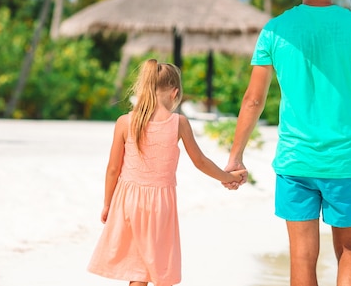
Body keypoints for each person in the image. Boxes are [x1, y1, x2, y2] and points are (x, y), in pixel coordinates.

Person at [224, 0, 351, 286]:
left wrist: (235, 157)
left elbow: (253, 101)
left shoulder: (275, 30)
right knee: (350, 250)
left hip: (295, 161)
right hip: (344, 161)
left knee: (301, 257)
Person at [88, 59, 245, 286]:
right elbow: (200, 162)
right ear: (175, 92)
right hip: (159, 205)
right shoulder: (178, 123)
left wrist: (107, 203)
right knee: (160, 268)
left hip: (126, 201)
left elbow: (113, 168)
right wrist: (228, 177)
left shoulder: (125, 122)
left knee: (137, 270)